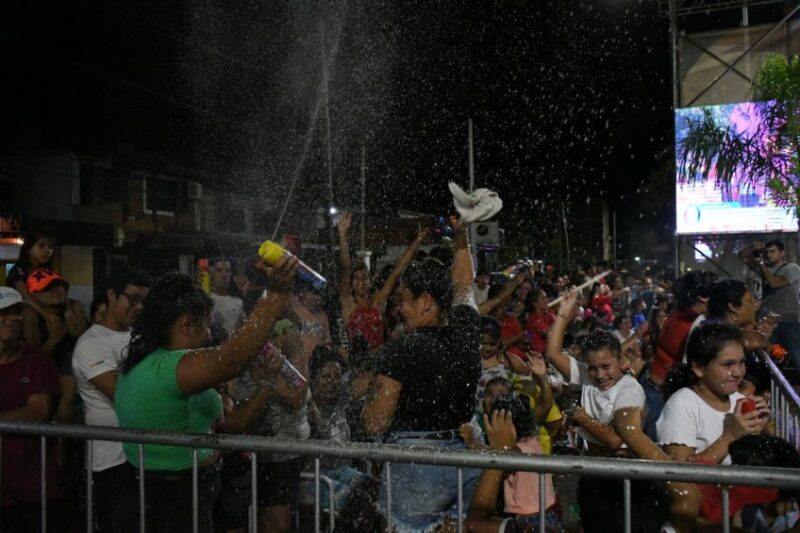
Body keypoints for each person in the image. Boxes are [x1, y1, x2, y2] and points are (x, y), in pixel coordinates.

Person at [114, 256, 296, 533]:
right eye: (207, 325)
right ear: (187, 325)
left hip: (189, 492)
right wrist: (276, 294)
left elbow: (233, 423)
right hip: (173, 499)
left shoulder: (155, 362)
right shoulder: (167, 367)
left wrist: (266, 384)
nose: (211, 335)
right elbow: (232, 360)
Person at [362, 220, 481, 532]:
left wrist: (365, 394)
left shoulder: (402, 349)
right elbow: (464, 286)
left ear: (425, 301)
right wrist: (461, 236)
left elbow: (375, 422)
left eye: (404, 299)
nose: (399, 308)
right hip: (464, 461)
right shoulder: (468, 334)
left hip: (416, 469)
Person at [71, 268, 152, 533]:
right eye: (133, 299)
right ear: (111, 295)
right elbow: (123, 396)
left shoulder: (141, 338)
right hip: (112, 460)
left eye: (144, 301)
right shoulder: (91, 344)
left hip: (145, 455)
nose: (139, 307)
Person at [545, 290, 646, 456]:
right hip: (591, 461)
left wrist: (579, 415)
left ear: (621, 360)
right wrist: (563, 314)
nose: (599, 375)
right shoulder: (586, 375)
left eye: (606, 367)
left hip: (618, 467)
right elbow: (552, 354)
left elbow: (614, 440)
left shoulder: (630, 390)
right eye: (593, 368)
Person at [657, 322, 769, 465]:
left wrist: (760, 431)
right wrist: (730, 436)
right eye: (727, 365)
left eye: (741, 362)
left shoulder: (739, 400)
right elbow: (681, 472)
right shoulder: (683, 404)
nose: (738, 373)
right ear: (698, 367)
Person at [0, 287, 62, 533]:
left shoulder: (35, 360)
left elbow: (39, 410)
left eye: (17, 312)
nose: (14, 318)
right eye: (4, 313)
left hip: (31, 485)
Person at [337, 211, 426, 352]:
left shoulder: (378, 301)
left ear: (370, 281)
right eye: (356, 278)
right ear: (351, 283)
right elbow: (345, 269)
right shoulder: (348, 303)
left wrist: (416, 242)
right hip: (359, 362)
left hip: (380, 361)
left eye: (364, 277)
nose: (361, 281)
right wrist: (342, 236)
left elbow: (396, 272)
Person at [644, 270, 716, 440]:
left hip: (657, 388)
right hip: (661, 394)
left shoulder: (679, 314)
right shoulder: (693, 323)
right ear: (703, 296)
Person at [22, 268, 87, 424]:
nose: (56, 290)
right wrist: (54, 338)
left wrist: (70, 315)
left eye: (59, 285)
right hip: (41, 375)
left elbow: (82, 337)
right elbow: (32, 361)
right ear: (35, 296)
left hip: (73, 373)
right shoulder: (30, 314)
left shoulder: (74, 306)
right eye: (47, 288)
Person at [740, 240, 800, 380]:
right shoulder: (765, 268)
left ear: (782, 253)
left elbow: (775, 283)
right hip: (769, 322)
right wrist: (752, 246)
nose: (769, 254)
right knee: (769, 358)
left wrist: (761, 264)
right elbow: (742, 256)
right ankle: (768, 385)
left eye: (773, 251)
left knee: (797, 356)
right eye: (767, 252)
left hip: (789, 320)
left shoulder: (792, 268)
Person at [6, 230, 57, 325]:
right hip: (22, 307)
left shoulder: (50, 272)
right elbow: (26, 297)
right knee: (29, 313)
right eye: (41, 246)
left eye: (50, 248)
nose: (47, 251)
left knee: (76, 306)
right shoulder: (19, 270)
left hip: (46, 305)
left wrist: (68, 309)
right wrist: (46, 314)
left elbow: (59, 291)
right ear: (28, 249)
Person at [208, 257, 244, 336]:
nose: (224, 274)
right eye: (219, 270)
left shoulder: (239, 302)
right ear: (212, 273)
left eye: (227, 271)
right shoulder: (206, 300)